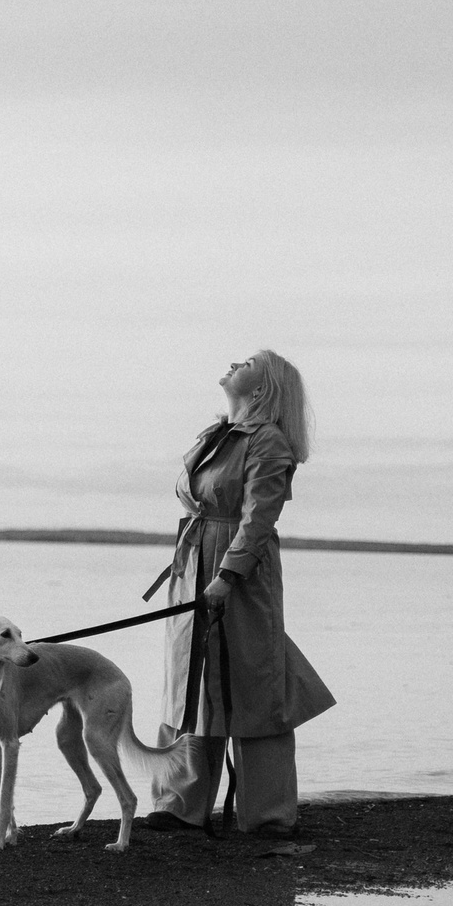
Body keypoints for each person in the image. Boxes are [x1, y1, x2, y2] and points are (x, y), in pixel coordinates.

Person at [143, 350, 334, 836]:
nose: (232, 361)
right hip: (195, 561)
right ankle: (179, 803)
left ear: (262, 386)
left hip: (240, 570)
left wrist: (227, 575)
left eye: (247, 360)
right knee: (190, 680)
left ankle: (267, 814)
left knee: (253, 681)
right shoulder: (217, 434)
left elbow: (259, 517)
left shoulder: (267, 441)